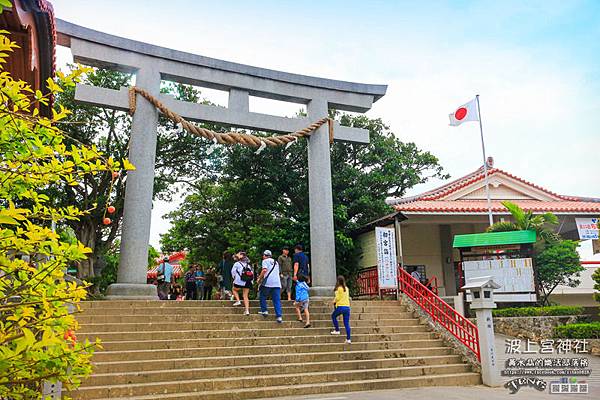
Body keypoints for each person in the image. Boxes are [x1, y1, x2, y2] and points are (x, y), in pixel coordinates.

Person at [256, 250, 283, 323]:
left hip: (268, 282)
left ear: (264, 255)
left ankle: (264, 311)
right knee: (276, 300)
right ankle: (279, 316)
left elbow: (264, 270)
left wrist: (259, 278)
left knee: (262, 295)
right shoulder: (276, 262)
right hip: (277, 283)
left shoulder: (265, 261)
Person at [330, 275, 351, 344]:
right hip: (347, 307)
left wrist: (333, 302)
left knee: (333, 316)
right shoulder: (346, 288)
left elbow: (337, 298)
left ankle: (337, 330)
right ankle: (348, 339)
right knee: (346, 323)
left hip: (341, 306)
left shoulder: (339, 288)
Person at [231, 251, 252, 315]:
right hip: (248, 282)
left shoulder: (237, 264)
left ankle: (238, 301)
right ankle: (247, 310)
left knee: (234, 289)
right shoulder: (248, 265)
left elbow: (233, 272)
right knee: (245, 296)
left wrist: (234, 278)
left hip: (239, 281)